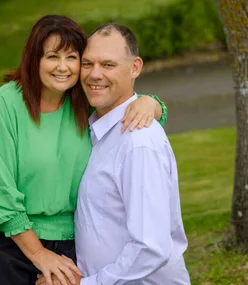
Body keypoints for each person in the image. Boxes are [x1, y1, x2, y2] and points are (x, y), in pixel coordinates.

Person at [0, 15, 167, 285]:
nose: (63, 67)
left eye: (72, 58)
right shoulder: (7, 103)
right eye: (52, 57)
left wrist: (151, 103)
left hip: (66, 244)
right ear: (35, 59)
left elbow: (128, 109)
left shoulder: (85, 101)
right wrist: (38, 253)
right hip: (7, 240)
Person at [36, 23, 190, 285]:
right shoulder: (92, 130)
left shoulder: (137, 143)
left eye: (108, 65)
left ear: (135, 68)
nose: (95, 74)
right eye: (88, 64)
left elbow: (150, 247)